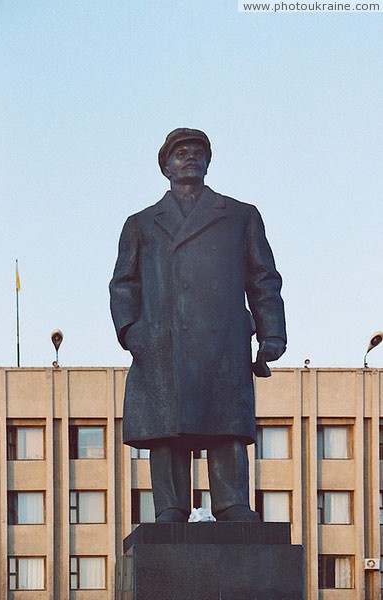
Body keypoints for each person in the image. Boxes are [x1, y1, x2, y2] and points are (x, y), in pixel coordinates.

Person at [110, 128, 286, 522]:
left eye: (197, 152)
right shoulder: (141, 223)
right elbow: (124, 283)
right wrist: (132, 331)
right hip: (161, 342)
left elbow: (262, 277)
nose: (190, 158)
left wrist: (272, 331)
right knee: (166, 430)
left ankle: (232, 503)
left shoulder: (240, 215)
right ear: (165, 166)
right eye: (180, 153)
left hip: (223, 340)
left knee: (225, 425)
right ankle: (170, 507)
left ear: (208, 162)